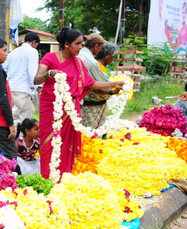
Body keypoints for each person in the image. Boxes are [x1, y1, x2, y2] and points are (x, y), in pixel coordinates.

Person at [33, 27, 124, 180]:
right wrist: (49, 74)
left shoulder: (79, 63)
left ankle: (64, 177)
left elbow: (91, 83)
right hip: (51, 107)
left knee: (66, 144)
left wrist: (113, 84)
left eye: (82, 44)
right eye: (78, 44)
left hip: (71, 110)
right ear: (67, 44)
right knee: (50, 142)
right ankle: (47, 177)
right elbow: (37, 79)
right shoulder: (50, 57)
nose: (81, 47)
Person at [3, 32, 41, 128]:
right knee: (24, 119)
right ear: (34, 42)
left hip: (10, 88)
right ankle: (19, 141)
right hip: (23, 89)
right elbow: (33, 72)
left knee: (13, 117)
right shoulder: (32, 51)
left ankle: (11, 139)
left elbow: (4, 69)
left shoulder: (13, 52)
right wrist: (38, 87)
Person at [80, 39, 120, 129]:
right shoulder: (96, 66)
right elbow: (96, 87)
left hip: (99, 105)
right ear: (107, 55)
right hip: (91, 106)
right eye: (113, 56)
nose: (113, 59)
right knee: (89, 131)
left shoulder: (103, 67)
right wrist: (112, 92)